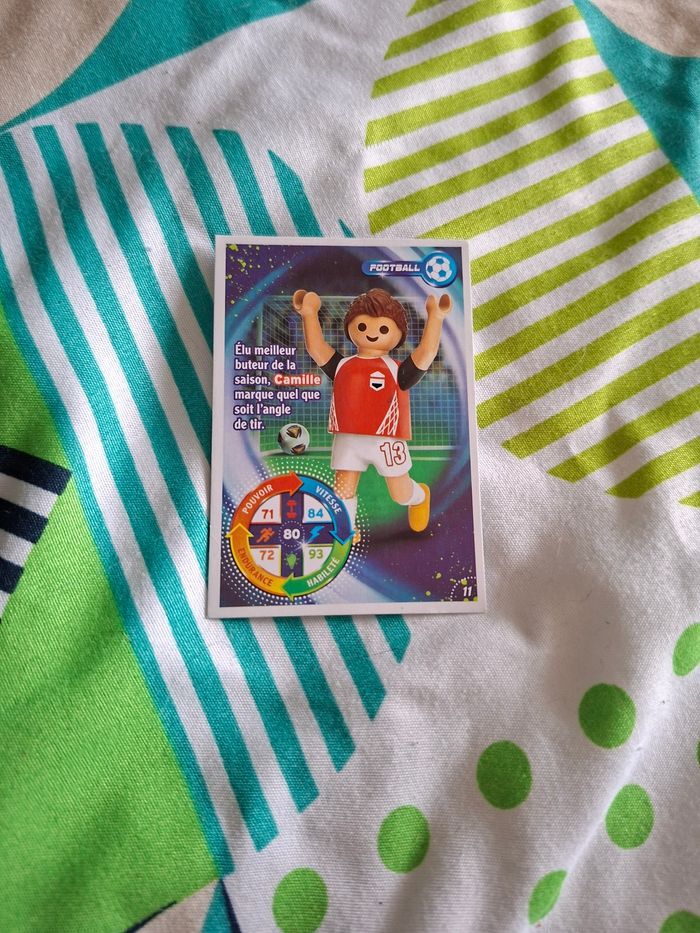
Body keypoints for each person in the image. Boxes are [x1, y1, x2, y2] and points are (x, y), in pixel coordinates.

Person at [292, 287, 452, 540]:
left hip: (385, 440)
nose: (372, 333)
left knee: (400, 494)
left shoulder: (396, 370)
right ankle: (346, 528)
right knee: (343, 488)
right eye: (363, 326)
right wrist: (309, 313)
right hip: (347, 438)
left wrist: (436, 317)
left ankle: (419, 496)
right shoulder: (342, 365)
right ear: (351, 328)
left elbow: (426, 354)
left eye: (383, 329)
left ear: (398, 334)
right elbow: (316, 348)